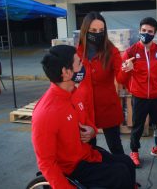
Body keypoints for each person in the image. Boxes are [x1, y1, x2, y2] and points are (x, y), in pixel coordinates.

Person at [32, 45, 136, 189]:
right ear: (66, 72)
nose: (83, 66)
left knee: (127, 162)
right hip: (72, 168)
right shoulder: (45, 113)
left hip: (87, 155)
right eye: (79, 63)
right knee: (120, 174)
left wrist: (92, 130)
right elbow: (46, 163)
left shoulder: (77, 94)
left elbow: (88, 122)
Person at [77, 12, 131, 154]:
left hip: (107, 107)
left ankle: (123, 174)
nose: (98, 34)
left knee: (115, 147)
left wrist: (126, 69)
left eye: (101, 31)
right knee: (88, 148)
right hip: (85, 108)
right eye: (93, 31)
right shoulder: (78, 52)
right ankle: (96, 175)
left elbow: (120, 78)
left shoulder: (111, 51)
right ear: (85, 30)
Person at [118, 17, 157, 167]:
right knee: (138, 126)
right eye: (144, 31)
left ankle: (156, 148)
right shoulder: (130, 52)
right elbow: (121, 78)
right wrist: (127, 70)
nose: (146, 33)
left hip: (156, 95)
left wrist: (155, 86)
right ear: (139, 31)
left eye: (150, 31)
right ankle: (134, 151)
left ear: (155, 33)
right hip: (139, 96)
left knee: (156, 123)